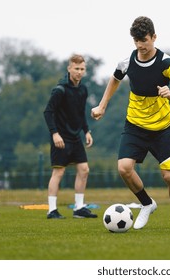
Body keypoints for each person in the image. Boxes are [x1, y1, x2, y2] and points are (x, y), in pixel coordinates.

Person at [91, 16, 170, 230]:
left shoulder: (167, 63)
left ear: (154, 37)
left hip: (162, 128)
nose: (140, 45)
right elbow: (115, 79)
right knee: (124, 168)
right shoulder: (127, 62)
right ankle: (147, 203)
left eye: (144, 40)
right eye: (136, 41)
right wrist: (102, 106)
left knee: (169, 176)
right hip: (135, 125)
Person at [43, 54, 97, 219]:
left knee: (84, 169)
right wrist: (54, 134)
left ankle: (79, 208)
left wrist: (86, 131)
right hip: (60, 138)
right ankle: (52, 210)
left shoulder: (83, 89)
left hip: (75, 137)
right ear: (69, 69)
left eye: (82, 69)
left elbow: (80, 113)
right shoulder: (60, 90)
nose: (79, 72)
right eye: (76, 69)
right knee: (58, 173)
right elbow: (48, 112)